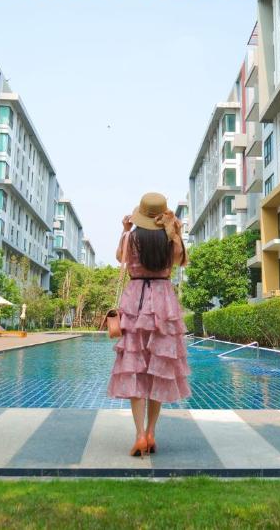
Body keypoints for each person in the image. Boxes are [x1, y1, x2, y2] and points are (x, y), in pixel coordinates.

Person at [107, 192, 190, 457]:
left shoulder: (131, 238)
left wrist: (124, 230)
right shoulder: (170, 239)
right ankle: (152, 432)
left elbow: (120, 258)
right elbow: (179, 260)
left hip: (135, 302)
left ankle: (139, 435)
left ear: (140, 215)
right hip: (163, 302)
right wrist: (175, 231)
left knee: (135, 367)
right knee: (157, 371)